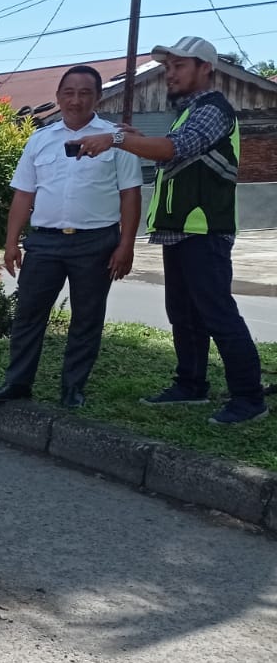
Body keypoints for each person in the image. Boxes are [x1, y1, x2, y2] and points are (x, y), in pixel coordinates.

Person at [73, 36, 266, 425]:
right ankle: (191, 385)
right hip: (179, 230)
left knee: (218, 314)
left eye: (179, 66)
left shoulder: (213, 109)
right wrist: (140, 140)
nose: (170, 74)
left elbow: (175, 150)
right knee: (183, 313)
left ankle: (249, 398)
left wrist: (117, 138)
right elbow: (177, 151)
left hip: (205, 232)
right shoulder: (188, 113)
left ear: (205, 68)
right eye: (168, 67)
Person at [0, 65, 142, 409]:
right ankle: (17, 383)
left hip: (96, 243)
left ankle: (73, 388)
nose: (76, 100)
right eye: (69, 93)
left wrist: (126, 245)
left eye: (85, 93)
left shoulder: (117, 139)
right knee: (28, 314)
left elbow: (130, 194)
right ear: (57, 97)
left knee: (87, 318)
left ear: (98, 97)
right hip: (44, 242)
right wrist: (11, 242)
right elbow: (24, 194)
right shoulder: (40, 140)